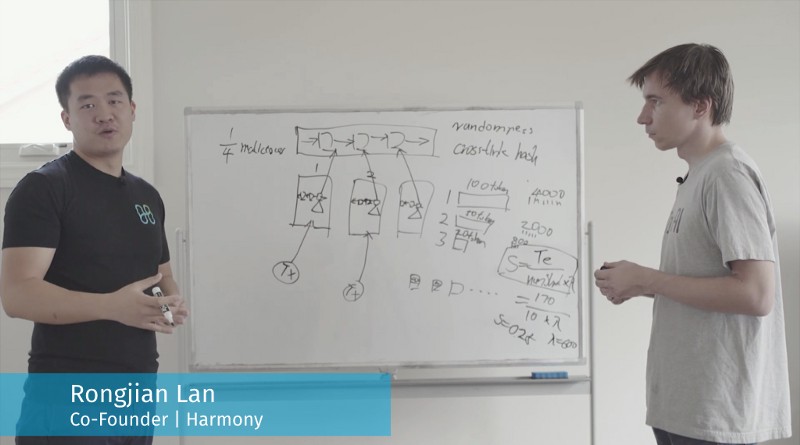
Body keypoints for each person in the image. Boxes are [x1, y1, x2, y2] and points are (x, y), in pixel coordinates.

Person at [594, 43, 792, 444]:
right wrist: (638, 283)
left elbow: (756, 295)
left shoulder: (726, 175)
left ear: (700, 106)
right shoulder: (700, 176)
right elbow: (709, 283)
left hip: (715, 415)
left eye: (655, 102)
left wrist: (647, 279)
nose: (642, 117)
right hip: (686, 408)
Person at [0, 55, 188, 444]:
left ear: (132, 110)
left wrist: (168, 302)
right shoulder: (45, 188)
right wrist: (112, 306)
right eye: (87, 105)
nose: (104, 114)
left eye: (114, 100)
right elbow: (17, 294)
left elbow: (161, 273)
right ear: (67, 118)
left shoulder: (146, 195)